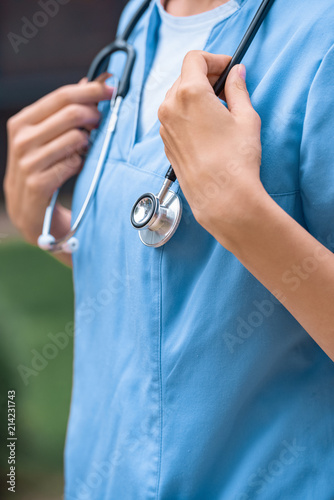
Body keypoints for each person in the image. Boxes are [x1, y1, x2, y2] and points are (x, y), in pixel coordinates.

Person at [4, 0, 334, 498]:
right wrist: (51, 227)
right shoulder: (140, 21)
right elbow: (179, 290)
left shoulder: (320, 37)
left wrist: (237, 212)